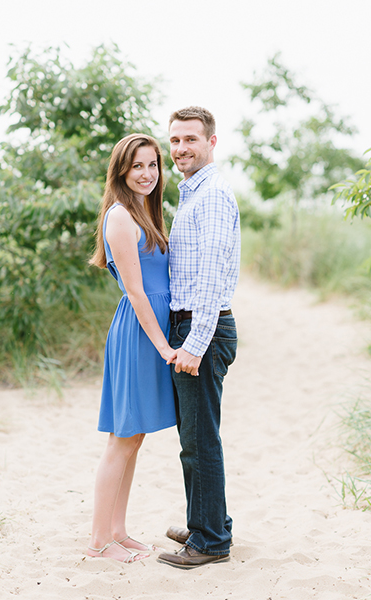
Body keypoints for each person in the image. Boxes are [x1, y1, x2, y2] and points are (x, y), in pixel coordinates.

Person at [86, 133, 178, 563]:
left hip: (154, 330)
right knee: (121, 438)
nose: (146, 174)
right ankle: (99, 540)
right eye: (137, 166)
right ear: (122, 170)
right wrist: (163, 345)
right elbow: (138, 293)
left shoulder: (147, 211)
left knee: (135, 436)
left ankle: (118, 531)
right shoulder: (120, 217)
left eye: (152, 165)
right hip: (140, 333)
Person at [156, 106, 240, 569]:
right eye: (175, 140)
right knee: (194, 436)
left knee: (200, 439)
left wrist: (195, 342)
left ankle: (210, 542)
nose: (181, 148)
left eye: (191, 139)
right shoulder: (193, 193)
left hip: (200, 328)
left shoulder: (210, 196)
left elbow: (209, 277)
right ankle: (206, 522)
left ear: (211, 141)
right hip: (191, 326)